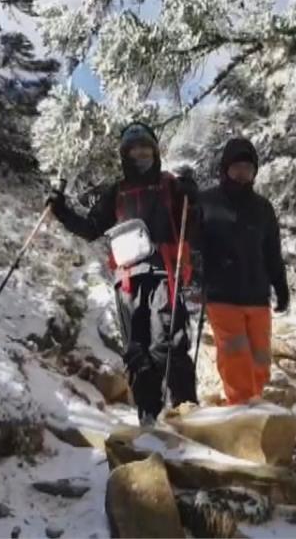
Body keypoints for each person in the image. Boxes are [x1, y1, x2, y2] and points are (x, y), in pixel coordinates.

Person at [48, 122, 200, 425]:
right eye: (134, 148)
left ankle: (186, 410)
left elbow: (193, 226)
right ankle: (148, 416)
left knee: (169, 341)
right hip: (128, 281)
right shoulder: (115, 192)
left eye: (145, 147)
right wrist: (61, 211)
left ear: (154, 151)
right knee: (137, 350)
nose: (140, 153)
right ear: (125, 154)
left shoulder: (171, 184)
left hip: (164, 273)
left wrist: (192, 198)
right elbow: (92, 228)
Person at [197, 137, 289, 405]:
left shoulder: (263, 208)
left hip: (257, 295)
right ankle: (240, 407)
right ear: (225, 168)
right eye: (236, 167)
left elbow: (272, 251)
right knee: (235, 355)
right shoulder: (206, 202)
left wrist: (280, 287)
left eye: (248, 168)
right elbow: (189, 239)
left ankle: (254, 402)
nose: (242, 172)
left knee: (260, 356)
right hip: (221, 294)